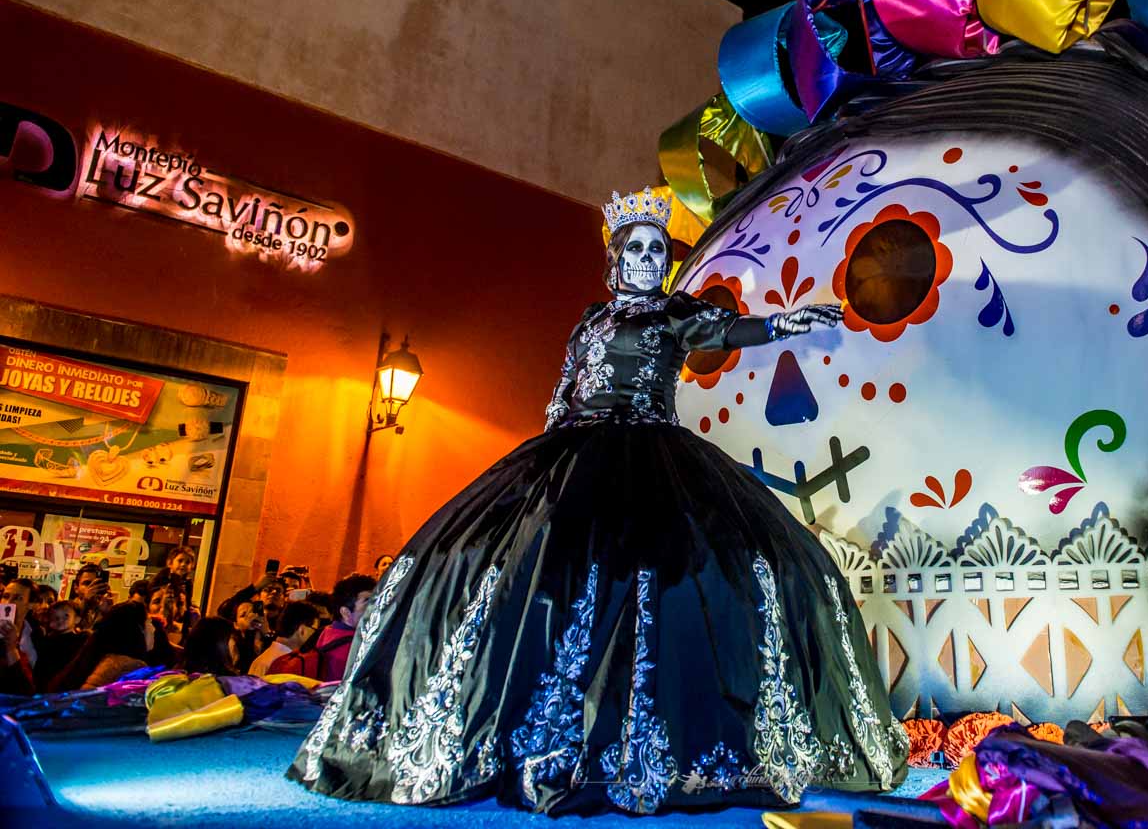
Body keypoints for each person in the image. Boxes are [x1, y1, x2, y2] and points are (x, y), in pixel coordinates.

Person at [291, 188, 906, 812]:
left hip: (651, 451)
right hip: (569, 455)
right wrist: (544, 460)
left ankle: (636, 731)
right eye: (636, 249)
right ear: (615, 260)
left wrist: (782, 323)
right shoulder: (590, 318)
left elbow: (726, 330)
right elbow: (566, 387)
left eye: (657, 251)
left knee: (663, 577)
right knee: (511, 569)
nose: (646, 259)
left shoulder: (675, 312)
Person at [47, 600, 170, 692]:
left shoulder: (107, 658)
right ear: (137, 630)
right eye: (148, 622)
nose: (153, 629)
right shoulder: (131, 667)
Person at [309, 573, 375, 683]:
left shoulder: (326, 631)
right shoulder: (354, 648)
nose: (376, 608)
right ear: (345, 612)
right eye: (368, 602)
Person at [248, 601, 320, 677]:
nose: (316, 635)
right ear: (302, 630)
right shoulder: (271, 663)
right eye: (314, 630)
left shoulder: (265, 661)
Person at [33, 599, 87, 690]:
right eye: (55, 616)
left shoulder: (79, 640)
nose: (60, 619)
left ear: (77, 619)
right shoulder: (47, 639)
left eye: (66, 616)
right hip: (43, 686)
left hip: (64, 687)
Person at [0, 578, 39, 668]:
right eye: (5, 596)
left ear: (31, 604)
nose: (9, 602)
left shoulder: (36, 633)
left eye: (18, 598)